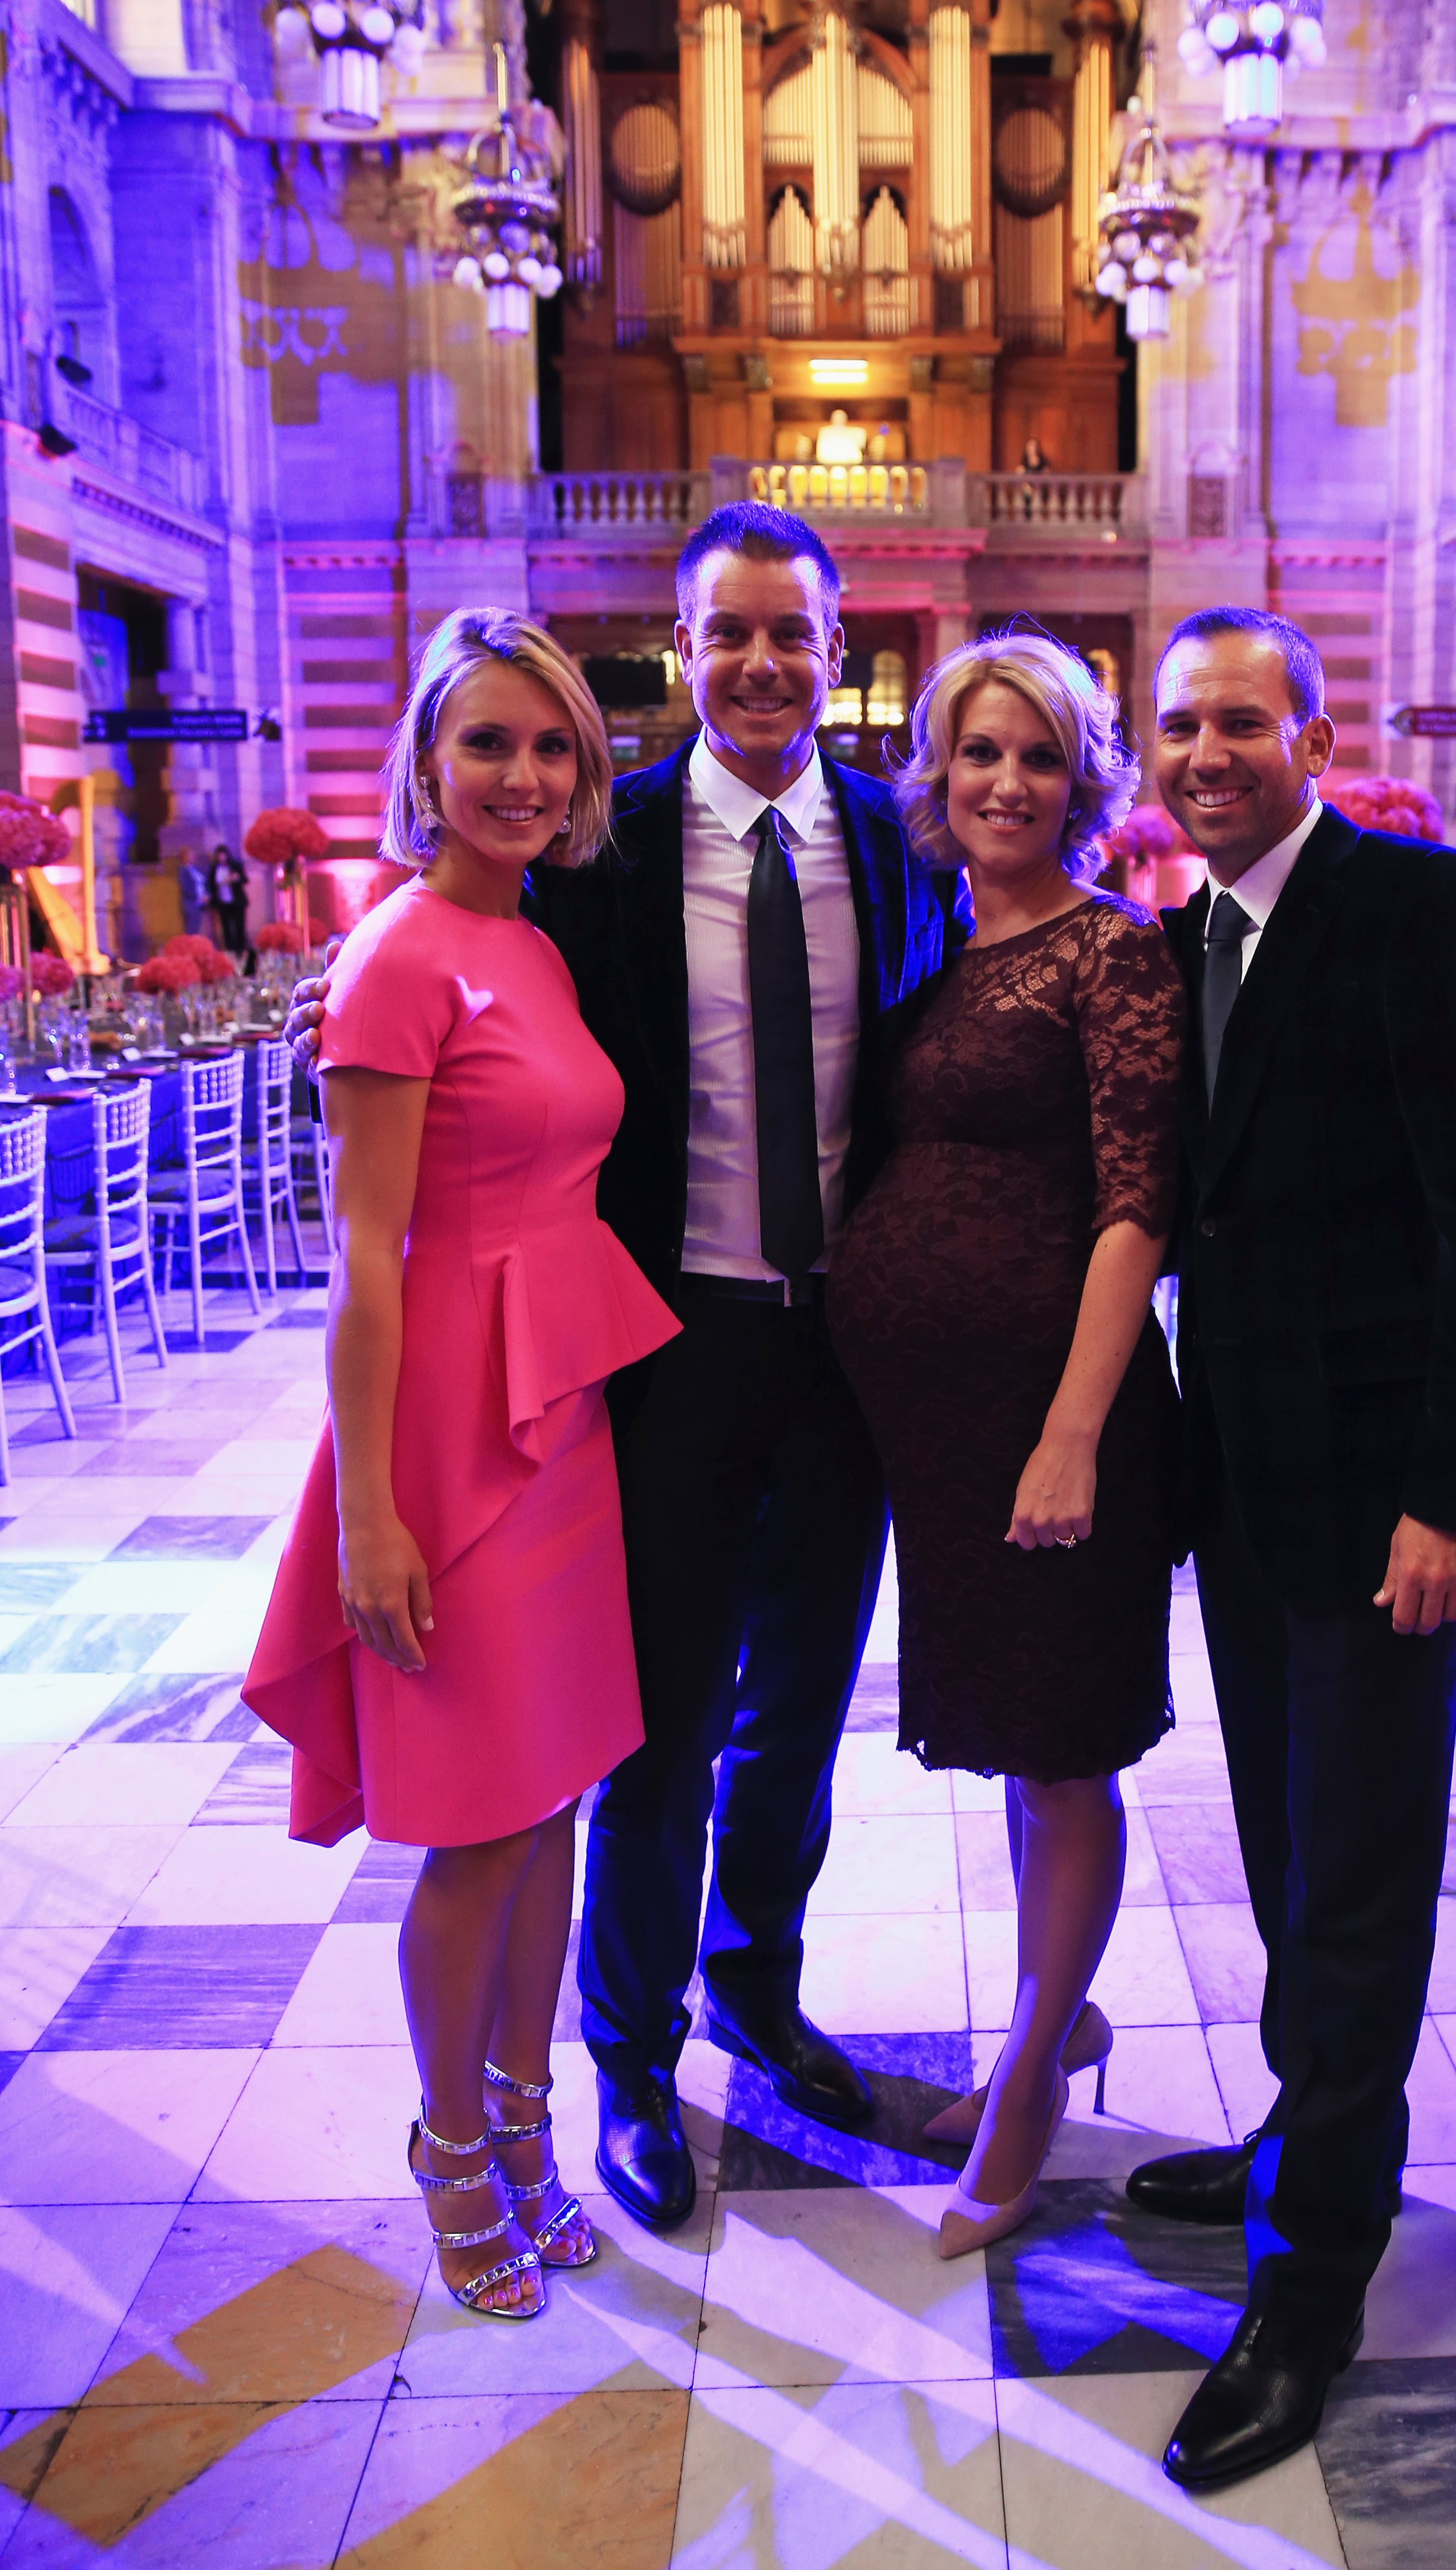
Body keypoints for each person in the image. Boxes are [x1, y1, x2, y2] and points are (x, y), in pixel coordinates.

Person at [286, 501, 957, 2235]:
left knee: (798, 1712)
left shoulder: (899, 845)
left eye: (792, 632)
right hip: (663, 1344)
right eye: (725, 632)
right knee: (645, 1727)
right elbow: (447, 992)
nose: (758, 663)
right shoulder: (601, 850)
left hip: (849, 1359)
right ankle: (632, 2055)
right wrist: (356, 1025)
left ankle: (758, 1989)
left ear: (839, 647)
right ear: (681, 644)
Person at [1131, 607, 1456, 2489]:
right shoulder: (1180, 941)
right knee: (1290, 1846)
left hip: (1395, 1503)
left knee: (1362, 1879)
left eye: (1242, 718)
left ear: (1311, 733)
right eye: (1179, 724)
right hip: (1249, 1489)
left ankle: (1311, 2287)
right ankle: (1303, 2137)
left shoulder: (1421, 907)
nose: (1206, 749)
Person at [246, 609, 679, 2322]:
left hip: (558, 1408)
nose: (521, 774)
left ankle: (524, 2118)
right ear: (425, 756)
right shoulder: (399, 955)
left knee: (555, 1788)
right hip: (442, 1425)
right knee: (480, 1823)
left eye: (551, 746)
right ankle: (447, 2149)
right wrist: (370, 1511)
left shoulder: (539, 945)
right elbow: (366, 1255)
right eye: (488, 741)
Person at [830, 632, 1184, 2257]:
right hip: (941, 1434)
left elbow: (1134, 1215)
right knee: (1021, 1754)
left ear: (1082, 780)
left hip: (1055, 1426)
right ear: (939, 776)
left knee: (1066, 1751)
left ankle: (1032, 2079)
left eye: (1038, 756)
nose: (1006, 783)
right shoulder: (949, 949)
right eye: (979, 753)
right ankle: (1053, 2017)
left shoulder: (1113, 957)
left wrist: (1072, 1433)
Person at [207, 843, 248, 955]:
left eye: (223, 855)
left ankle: (241, 954)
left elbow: (245, 880)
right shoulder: (214, 869)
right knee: (227, 930)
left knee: (239, 928)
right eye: (219, 855)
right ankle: (230, 954)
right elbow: (211, 886)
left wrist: (237, 878)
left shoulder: (235, 866)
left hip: (237, 903)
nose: (221, 858)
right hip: (223, 904)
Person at [175, 846, 210, 936]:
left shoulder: (195, 870)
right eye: (190, 855)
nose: (192, 857)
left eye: (193, 855)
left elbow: (203, 884)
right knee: (191, 931)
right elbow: (186, 888)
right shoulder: (183, 871)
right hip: (190, 904)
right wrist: (200, 897)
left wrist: (207, 895)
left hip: (198, 904)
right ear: (184, 857)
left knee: (197, 929)